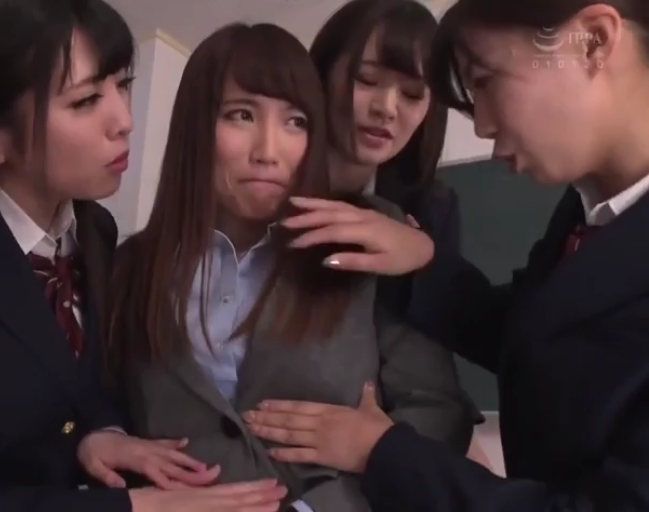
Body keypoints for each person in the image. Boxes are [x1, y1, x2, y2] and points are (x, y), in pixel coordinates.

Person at [0, 0, 289, 511]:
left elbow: (71, 387)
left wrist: (97, 434)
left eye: (122, 85)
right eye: (86, 101)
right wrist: (134, 508)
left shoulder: (95, 230)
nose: (124, 121)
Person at [243, 0, 649, 510]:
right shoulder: (582, 211)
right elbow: (532, 337)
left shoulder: (430, 205)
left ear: (592, 41)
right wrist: (425, 265)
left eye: (485, 81)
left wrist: (382, 452)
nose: (481, 126)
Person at [107, 22, 474, 512]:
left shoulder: (367, 237)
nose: (268, 151)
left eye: (295, 122)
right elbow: (106, 409)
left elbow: (439, 410)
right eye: (241, 115)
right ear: (196, 125)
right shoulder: (130, 266)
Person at [308, 0, 488, 462]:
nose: (386, 108)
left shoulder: (430, 208)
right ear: (323, 73)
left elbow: (434, 376)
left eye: (412, 94)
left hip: (382, 439)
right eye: (366, 80)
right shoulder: (268, 183)